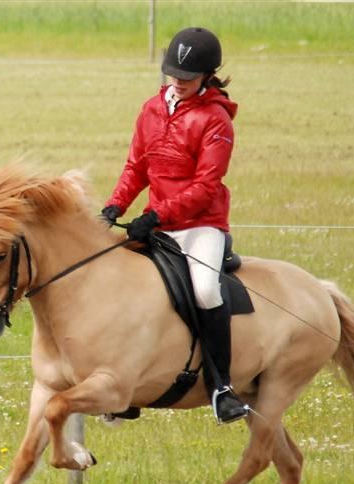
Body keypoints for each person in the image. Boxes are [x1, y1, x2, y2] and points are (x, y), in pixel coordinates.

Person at [101, 27, 249, 424]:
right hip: (160, 223)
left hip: (201, 225)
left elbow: (206, 186)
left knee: (204, 290)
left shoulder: (216, 120)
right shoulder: (151, 109)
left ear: (207, 76)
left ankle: (222, 388)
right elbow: (137, 167)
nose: (178, 83)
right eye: (173, 75)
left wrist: (156, 216)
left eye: (187, 78)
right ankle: (123, 385)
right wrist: (113, 208)